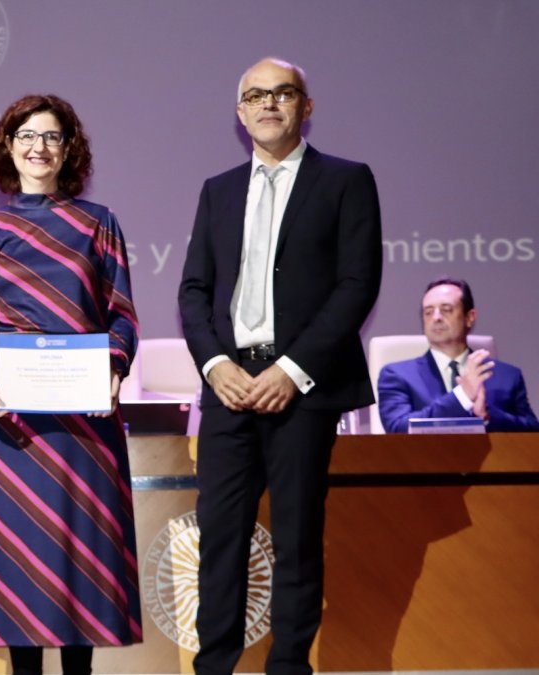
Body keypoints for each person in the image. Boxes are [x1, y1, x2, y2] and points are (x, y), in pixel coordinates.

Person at [177, 57, 382, 675]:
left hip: (300, 391)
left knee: (295, 538)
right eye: (255, 96)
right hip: (230, 385)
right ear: (240, 114)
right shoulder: (217, 190)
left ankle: (290, 665)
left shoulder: (346, 180)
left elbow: (356, 284)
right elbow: (193, 290)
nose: (269, 104)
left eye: (283, 93)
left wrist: (291, 370)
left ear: (305, 106)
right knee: (221, 540)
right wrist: (214, 364)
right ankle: (214, 666)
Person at [0, 94, 142, 675]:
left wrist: (112, 370)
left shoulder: (98, 222)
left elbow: (122, 314)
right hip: (13, 429)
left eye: (52, 136)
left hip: (84, 425)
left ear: (68, 150)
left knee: (82, 567)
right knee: (21, 570)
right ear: (8, 148)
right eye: (26, 136)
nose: (39, 147)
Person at [378, 277, 539, 433]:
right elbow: (398, 428)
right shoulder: (397, 375)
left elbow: (532, 432)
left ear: (470, 318)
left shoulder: (507, 376)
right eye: (428, 312)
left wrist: (486, 416)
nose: (436, 318)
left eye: (446, 310)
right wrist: (462, 396)